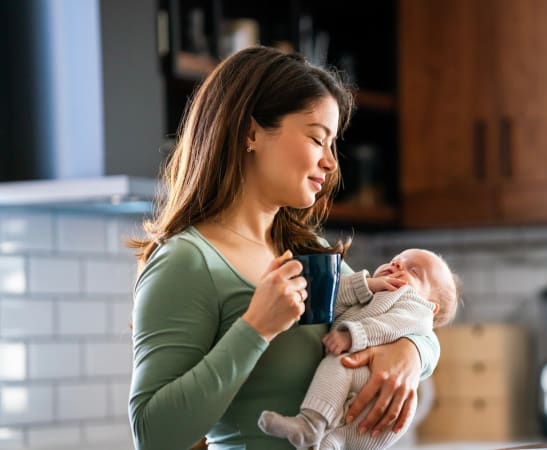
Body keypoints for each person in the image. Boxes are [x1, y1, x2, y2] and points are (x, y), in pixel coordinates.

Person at [127, 46, 440, 450]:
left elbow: (411, 314)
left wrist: (411, 352)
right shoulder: (187, 262)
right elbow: (153, 435)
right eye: (316, 138)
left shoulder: (311, 251)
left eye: (333, 145)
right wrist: (256, 327)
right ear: (251, 132)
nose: (330, 162)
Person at [258, 248, 460, 449]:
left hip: (376, 393)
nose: (397, 264)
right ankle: (316, 439)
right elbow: (330, 298)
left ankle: (310, 424)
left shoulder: (414, 305)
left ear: (430, 306)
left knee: (340, 362)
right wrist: (366, 285)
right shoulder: (372, 295)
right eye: (395, 259)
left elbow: (389, 326)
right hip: (360, 399)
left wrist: (351, 336)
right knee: (333, 441)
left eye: (414, 271)